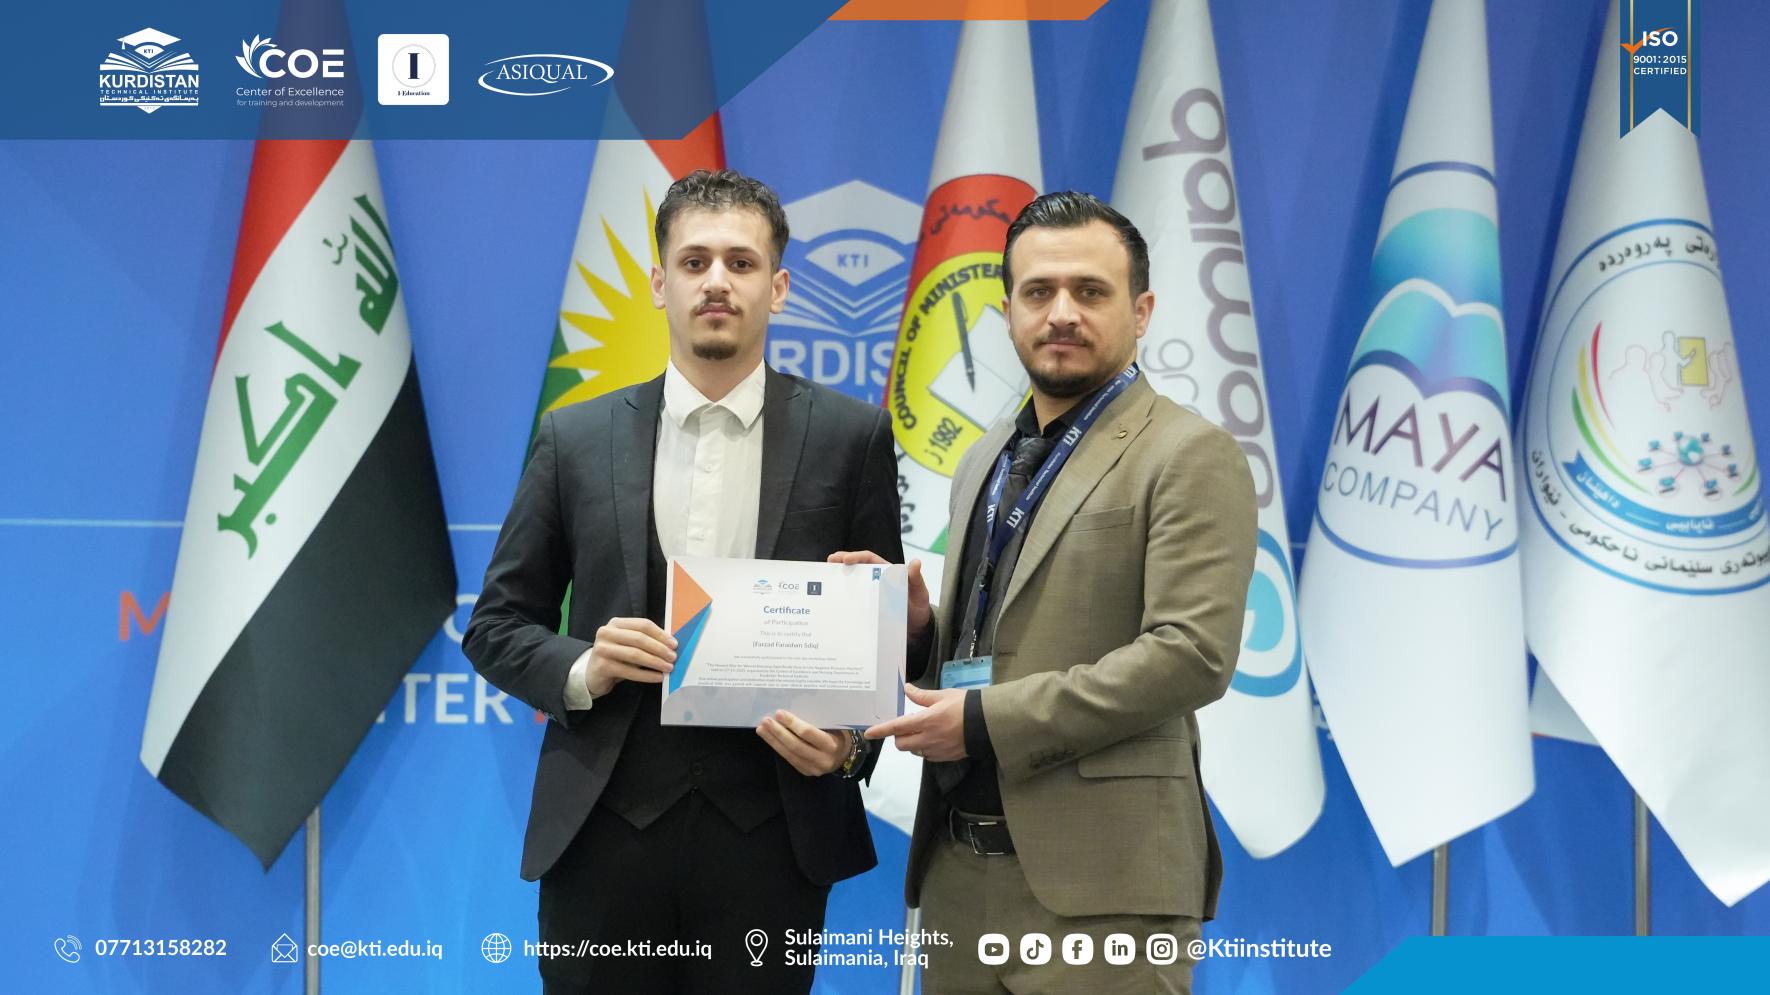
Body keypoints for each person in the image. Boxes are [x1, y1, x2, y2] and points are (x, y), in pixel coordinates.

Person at [465, 169, 903, 994]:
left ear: (778, 288)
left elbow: (882, 631)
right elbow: (495, 625)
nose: (716, 282)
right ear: (658, 284)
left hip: (774, 840)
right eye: (694, 261)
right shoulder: (573, 437)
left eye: (741, 262)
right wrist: (583, 666)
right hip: (600, 832)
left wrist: (849, 746)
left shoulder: (854, 438)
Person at [835, 191, 1256, 994]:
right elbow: (998, 642)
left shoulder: (1189, 453)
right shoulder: (986, 455)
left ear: (1141, 310)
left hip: (1106, 888)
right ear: (1007, 314)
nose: (1061, 312)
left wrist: (983, 721)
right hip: (958, 873)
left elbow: (1192, 655)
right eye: (1039, 292)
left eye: (1090, 291)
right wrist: (922, 632)